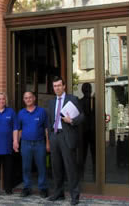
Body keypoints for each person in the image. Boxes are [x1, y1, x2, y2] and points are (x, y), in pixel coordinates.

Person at [47, 76, 84, 205]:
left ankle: (75, 196)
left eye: (59, 85)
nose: (57, 88)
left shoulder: (72, 99)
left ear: (64, 86)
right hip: (55, 136)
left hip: (66, 137)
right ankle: (58, 193)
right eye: (55, 86)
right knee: (56, 167)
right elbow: (49, 121)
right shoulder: (51, 102)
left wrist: (72, 121)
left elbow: (82, 116)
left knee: (70, 168)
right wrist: (50, 137)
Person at [18, 91, 49, 198]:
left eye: (30, 97)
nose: (28, 99)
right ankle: (27, 187)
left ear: (34, 98)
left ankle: (43, 188)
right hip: (25, 144)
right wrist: (17, 142)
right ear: (24, 100)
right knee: (26, 167)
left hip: (39, 143)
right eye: (26, 98)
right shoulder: (21, 113)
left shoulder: (42, 111)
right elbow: (19, 129)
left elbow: (46, 129)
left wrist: (48, 143)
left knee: (41, 167)